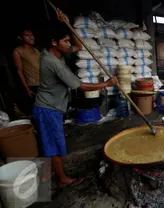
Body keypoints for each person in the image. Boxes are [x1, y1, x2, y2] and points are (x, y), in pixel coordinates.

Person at [33, 8, 118, 187]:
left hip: (50, 107)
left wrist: (68, 25)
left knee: (51, 143)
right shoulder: (54, 63)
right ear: (54, 42)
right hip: (47, 109)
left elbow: (79, 46)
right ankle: (62, 179)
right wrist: (107, 84)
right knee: (53, 146)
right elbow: (82, 86)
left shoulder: (52, 52)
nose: (68, 44)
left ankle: (50, 172)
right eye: (65, 41)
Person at [12, 29, 40, 115]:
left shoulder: (36, 50)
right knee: (38, 108)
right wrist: (27, 89)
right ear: (20, 38)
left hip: (44, 83)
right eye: (27, 35)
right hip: (32, 85)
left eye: (32, 35)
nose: (31, 37)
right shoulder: (18, 51)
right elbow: (19, 71)